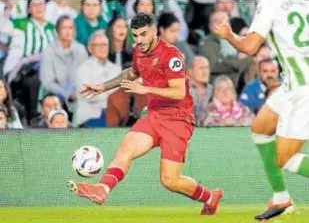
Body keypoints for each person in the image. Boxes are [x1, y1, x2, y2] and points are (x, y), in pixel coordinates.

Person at [67, 13, 223, 215]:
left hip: (178, 120)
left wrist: (146, 90)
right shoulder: (139, 52)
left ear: (155, 31)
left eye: (143, 35)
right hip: (154, 115)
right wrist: (103, 87)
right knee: (125, 150)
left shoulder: (171, 56)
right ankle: (102, 189)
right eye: (135, 35)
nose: (138, 40)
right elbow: (131, 73)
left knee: (170, 181)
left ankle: (210, 197)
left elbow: (179, 92)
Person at [213, 0, 309, 221]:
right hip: (293, 82)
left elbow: (249, 47)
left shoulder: (270, 3)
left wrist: (228, 34)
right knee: (260, 129)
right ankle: (281, 198)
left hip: (302, 89)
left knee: (285, 158)